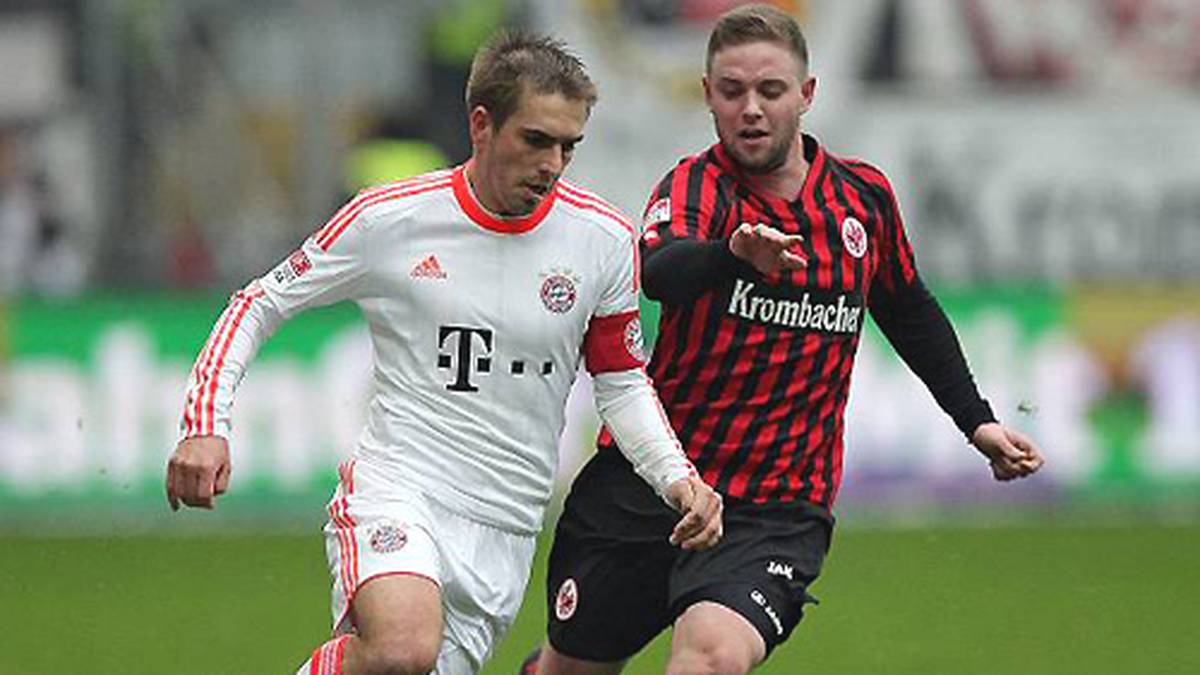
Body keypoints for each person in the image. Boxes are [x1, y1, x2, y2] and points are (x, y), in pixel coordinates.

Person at [164, 30, 723, 675]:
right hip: (402, 488)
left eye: (568, 146)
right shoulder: (389, 219)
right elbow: (259, 302)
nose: (552, 165)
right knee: (403, 649)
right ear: (481, 124)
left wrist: (677, 478)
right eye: (535, 140)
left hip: (504, 528)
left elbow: (621, 382)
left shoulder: (600, 239)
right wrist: (205, 426)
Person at [527, 5, 1045, 675]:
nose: (751, 109)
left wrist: (976, 421)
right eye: (732, 90)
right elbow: (660, 270)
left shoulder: (862, 200)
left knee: (709, 659)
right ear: (708, 94)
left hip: (775, 506)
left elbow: (907, 306)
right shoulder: (698, 186)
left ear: (806, 95)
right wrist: (733, 254)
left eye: (770, 91)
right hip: (655, 484)